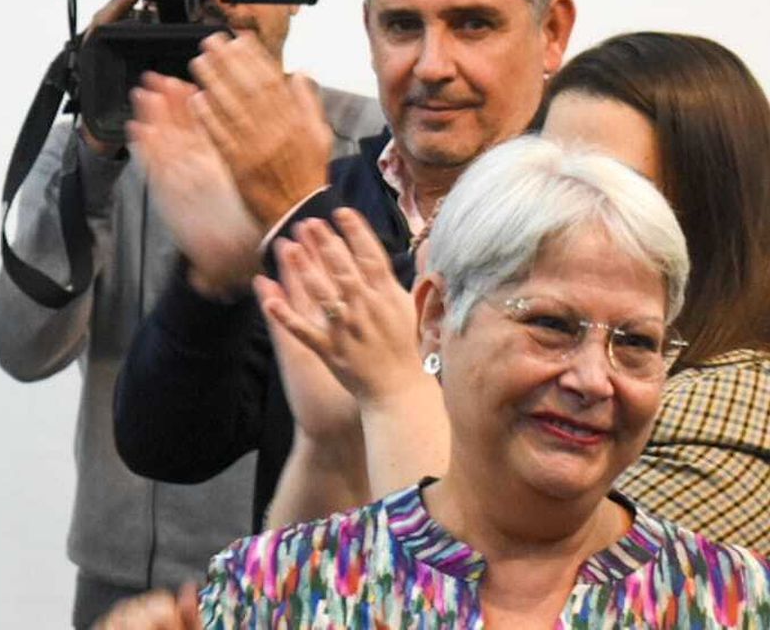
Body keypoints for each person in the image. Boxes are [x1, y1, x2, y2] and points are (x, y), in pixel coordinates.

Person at [103, 136, 770, 628]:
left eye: (636, 342)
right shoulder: (283, 589)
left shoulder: (733, 601)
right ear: (436, 318)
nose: (594, 379)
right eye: (551, 325)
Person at [0, 0, 383, 626]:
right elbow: (22, 345)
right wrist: (96, 146)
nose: (224, 1)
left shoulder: (365, 143)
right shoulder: (102, 147)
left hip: (309, 574)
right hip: (126, 585)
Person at [113, 0, 576, 530]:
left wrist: (295, 208)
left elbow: (481, 481)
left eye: (472, 25)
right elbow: (169, 448)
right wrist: (213, 283)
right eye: (402, 26)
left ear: (551, 31)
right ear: (368, 29)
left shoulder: (586, 220)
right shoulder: (333, 200)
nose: (431, 64)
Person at [257, 31, 770, 551]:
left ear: (713, 213)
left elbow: (497, 584)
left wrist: (397, 390)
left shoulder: (735, 408)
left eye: (613, 186)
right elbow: (313, 587)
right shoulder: (509, 347)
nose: (559, 206)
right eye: (548, 169)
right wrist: (333, 442)